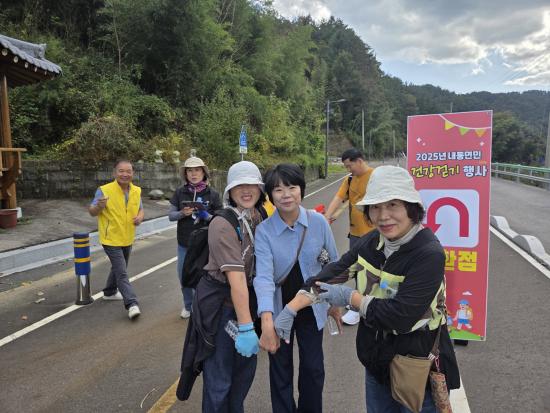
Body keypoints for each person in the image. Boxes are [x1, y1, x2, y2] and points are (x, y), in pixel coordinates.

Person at [274, 166, 460, 412]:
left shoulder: (428, 253)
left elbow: (400, 316)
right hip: (376, 358)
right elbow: (331, 275)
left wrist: (350, 297)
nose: (383, 216)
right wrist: (291, 308)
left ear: (411, 207)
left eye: (392, 205)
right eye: (375, 207)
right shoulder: (372, 242)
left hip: (416, 364)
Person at [179, 161, 265, 412]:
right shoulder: (223, 223)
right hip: (221, 309)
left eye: (252, 184)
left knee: (243, 376)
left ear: (260, 188)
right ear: (230, 191)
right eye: (240, 186)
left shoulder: (258, 216)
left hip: (246, 304)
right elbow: (236, 279)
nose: (246, 190)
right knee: (219, 381)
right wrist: (246, 327)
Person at [254, 164, 339, 413]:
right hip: (280, 309)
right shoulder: (264, 231)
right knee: (280, 370)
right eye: (278, 189)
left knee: (313, 368)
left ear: (301, 189)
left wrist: (334, 303)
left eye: (291, 187)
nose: (286, 195)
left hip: (312, 307)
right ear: (270, 195)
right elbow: (264, 278)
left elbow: (333, 264)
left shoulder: (318, 222)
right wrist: (266, 322)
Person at [323, 148, 375, 325]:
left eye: (349, 165)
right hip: (355, 234)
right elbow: (338, 199)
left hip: (373, 235)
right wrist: (326, 218)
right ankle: (357, 302)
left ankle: (357, 308)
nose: (348, 169)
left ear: (359, 161)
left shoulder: (375, 177)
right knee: (355, 269)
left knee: (368, 271)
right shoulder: (350, 179)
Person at [89, 159, 144, 320]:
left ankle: (109, 292)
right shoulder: (104, 190)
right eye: (121, 171)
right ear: (114, 173)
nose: (125, 174)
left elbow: (141, 209)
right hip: (110, 238)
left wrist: (140, 217)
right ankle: (132, 303)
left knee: (119, 267)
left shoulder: (136, 191)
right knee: (122, 272)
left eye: (128, 171)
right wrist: (99, 206)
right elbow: (92, 211)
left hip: (127, 237)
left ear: (133, 173)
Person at [168, 156, 222, 319]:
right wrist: (182, 213)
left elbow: (220, 219)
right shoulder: (179, 192)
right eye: (190, 171)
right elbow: (171, 216)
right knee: (183, 275)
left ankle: (203, 305)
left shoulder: (213, 194)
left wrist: (206, 215)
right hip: (184, 243)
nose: (193, 174)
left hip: (206, 244)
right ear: (185, 174)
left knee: (205, 277)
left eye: (197, 170)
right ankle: (188, 305)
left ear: (203, 172)